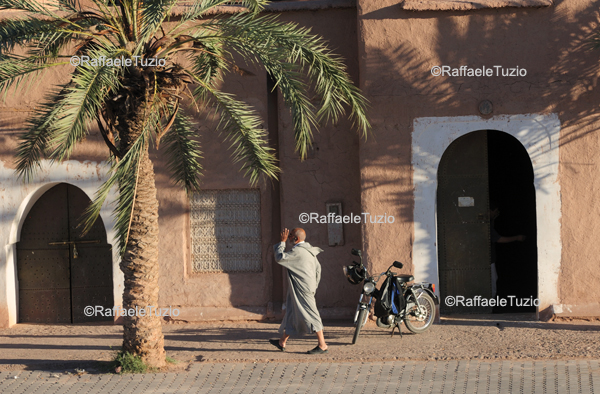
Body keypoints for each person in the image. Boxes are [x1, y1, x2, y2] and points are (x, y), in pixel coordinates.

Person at [270, 228, 328, 354]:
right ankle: (282, 341)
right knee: (292, 313)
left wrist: (282, 242)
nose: (288, 237)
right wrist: (314, 285)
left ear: (296, 239)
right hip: (304, 287)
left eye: (290, 236)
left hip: (303, 288)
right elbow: (318, 269)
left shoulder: (298, 251)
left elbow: (280, 258)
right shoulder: (310, 250)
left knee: (312, 314)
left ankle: (322, 345)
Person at [489, 203, 526, 297]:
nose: (497, 213)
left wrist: (493, 219)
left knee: (494, 279)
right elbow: (498, 239)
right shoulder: (486, 225)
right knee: (492, 282)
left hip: (490, 259)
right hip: (489, 260)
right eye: (495, 211)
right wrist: (517, 238)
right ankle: (488, 305)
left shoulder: (488, 223)